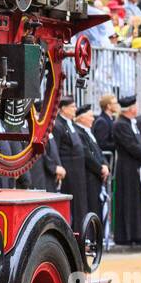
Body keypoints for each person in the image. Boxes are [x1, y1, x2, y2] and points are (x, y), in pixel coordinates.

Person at [110, 94, 141, 246]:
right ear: (131, 109)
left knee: (138, 201)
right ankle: (126, 235)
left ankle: (138, 233)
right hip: (127, 168)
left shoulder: (133, 124)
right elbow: (132, 146)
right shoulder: (120, 125)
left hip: (138, 167)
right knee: (128, 201)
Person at [52, 97, 90, 229]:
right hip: (68, 169)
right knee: (73, 203)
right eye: (72, 106)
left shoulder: (70, 124)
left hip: (78, 170)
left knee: (80, 204)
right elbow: (55, 148)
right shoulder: (58, 125)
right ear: (63, 108)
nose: (75, 109)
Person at [75, 104, 109, 237]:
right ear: (82, 118)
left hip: (97, 176)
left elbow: (98, 152)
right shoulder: (80, 132)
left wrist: (105, 165)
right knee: (91, 207)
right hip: (89, 175)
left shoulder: (88, 132)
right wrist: (99, 168)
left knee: (97, 206)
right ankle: (92, 236)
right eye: (90, 116)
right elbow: (87, 155)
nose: (93, 119)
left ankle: (97, 236)